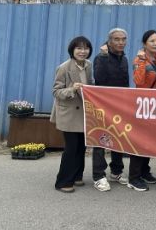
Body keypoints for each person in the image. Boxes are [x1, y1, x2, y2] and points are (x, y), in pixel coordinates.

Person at [51, 36, 94, 193]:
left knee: (81, 147)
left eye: (86, 48)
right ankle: (62, 181)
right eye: (79, 48)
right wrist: (72, 89)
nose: (83, 51)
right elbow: (56, 91)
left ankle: (77, 176)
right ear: (72, 50)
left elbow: (91, 85)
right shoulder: (63, 67)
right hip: (69, 113)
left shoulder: (88, 65)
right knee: (71, 148)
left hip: (83, 113)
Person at [91, 28, 131, 192]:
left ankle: (116, 171)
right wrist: (103, 57)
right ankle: (98, 176)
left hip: (119, 105)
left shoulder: (124, 59)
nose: (121, 42)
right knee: (101, 140)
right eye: (117, 39)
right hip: (102, 105)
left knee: (119, 138)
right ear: (109, 41)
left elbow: (125, 84)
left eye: (123, 39)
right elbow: (99, 79)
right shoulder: (101, 57)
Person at [127, 29, 156, 191]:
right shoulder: (139, 59)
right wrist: (142, 60)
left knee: (149, 140)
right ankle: (134, 177)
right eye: (152, 41)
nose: (155, 43)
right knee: (140, 140)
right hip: (142, 105)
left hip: (155, 106)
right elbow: (138, 80)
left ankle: (144, 171)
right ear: (144, 44)